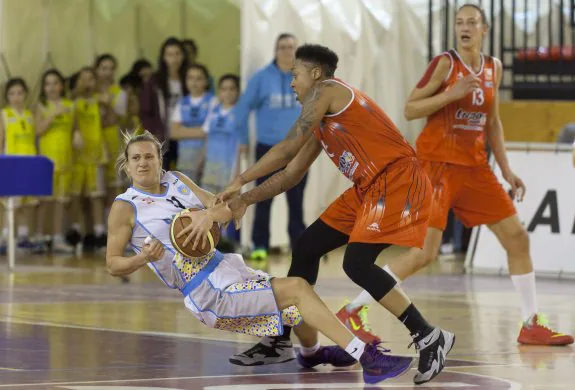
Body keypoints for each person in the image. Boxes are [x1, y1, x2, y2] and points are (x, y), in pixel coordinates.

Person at [185, 44, 455, 385]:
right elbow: (290, 174)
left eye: (295, 75)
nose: (292, 84)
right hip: (368, 187)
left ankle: (429, 336)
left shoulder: (328, 90)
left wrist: (240, 180)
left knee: (356, 263)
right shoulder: (322, 120)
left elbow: (285, 148)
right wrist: (246, 199)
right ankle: (280, 340)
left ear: (315, 74)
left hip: (397, 180)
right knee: (308, 246)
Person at [337, 3, 574, 346]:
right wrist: (452, 93)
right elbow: (410, 107)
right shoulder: (445, 64)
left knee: (517, 238)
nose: (464, 27)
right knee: (424, 254)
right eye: (459, 22)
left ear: (484, 29)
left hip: (475, 166)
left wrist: (506, 170)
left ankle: (530, 323)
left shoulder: (495, 66)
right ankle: (353, 310)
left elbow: (492, 123)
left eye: (471, 22)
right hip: (436, 166)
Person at [105, 129, 413, 385]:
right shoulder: (126, 207)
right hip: (207, 292)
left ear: (160, 159)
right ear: (127, 166)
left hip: (225, 267)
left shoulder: (176, 180)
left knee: (297, 307)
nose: (143, 163)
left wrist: (225, 208)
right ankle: (368, 358)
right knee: (298, 289)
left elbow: (216, 204)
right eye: (136, 158)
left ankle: (312, 353)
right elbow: (112, 264)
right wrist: (141, 259)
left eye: (149, 156)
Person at [234, 33, 306, 261]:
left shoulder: (304, 78)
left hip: (298, 151)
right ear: (275, 50)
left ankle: (300, 245)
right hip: (268, 150)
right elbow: (242, 109)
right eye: (282, 47)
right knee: (263, 198)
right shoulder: (261, 78)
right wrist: (244, 139)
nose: (287, 51)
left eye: (291, 47)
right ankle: (260, 246)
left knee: (296, 201)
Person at [35, 69, 77, 253]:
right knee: (45, 201)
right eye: (48, 83)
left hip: (66, 158)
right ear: (43, 88)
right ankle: (40, 237)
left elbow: (75, 128)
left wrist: (78, 136)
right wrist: (53, 115)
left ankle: (57, 237)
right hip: (47, 160)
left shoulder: (70, 105)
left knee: (61, 201)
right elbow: (38, 131)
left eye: (55, 83)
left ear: (61, 85)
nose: (52, 87)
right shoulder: (40, 106)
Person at [0, 78, 38, 251]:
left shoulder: (30, 116)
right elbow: (1, 140)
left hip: (29, 162)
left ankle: (23, 237)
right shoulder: (4, 114)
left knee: (26, 203)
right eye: (12, 93)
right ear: (7, 96)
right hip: (11, 163)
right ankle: (5, 238)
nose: (16, 97)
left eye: (20, 93)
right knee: (10, 204)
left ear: (26, 95)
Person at [139, 37, 189, 170]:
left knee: (185, 175)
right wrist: (152, 132)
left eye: (177, 54)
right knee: (163, 173)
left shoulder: (189, 79)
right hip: (162, 135)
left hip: (186, 135)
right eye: (170, 54)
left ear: (183, 56)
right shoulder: (154, 81)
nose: (174, 59)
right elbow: (145, 111)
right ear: (163, 57)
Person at [170, 64, 216, 183]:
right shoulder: (182, 102)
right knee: (188, 196)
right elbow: (174, 132)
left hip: (209, 157)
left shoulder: (213, 101)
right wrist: (201, 130)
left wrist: (183, 130)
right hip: (186, 159)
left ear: (206, 81)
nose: (194, 82)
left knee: (209, 196)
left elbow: (211, 131)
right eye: (190, 78)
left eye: (199, 78)